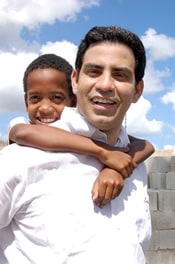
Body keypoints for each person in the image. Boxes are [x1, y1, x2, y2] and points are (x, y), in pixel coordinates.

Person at [0, 26, 152, 263]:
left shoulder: (134, 165)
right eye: (94, 71)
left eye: (120, 75)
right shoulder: (19, 159)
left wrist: (117, 165)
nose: (105, 85)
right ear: (75, 80)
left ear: (137, 90)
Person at [8, 54, 154, 207]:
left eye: (57, 98)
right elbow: (22, 133)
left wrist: (114, 169)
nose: (45, 108)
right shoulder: (23, 129)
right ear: (26, 102)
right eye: (35, 98)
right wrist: (105, 152)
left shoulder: (84, 130)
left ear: (74, 100)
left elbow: (146, 146)